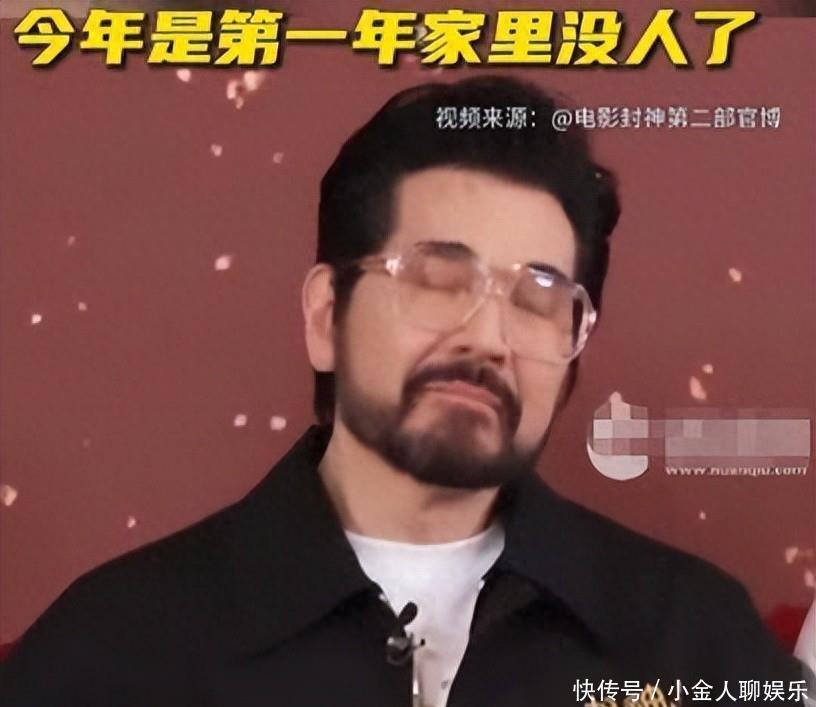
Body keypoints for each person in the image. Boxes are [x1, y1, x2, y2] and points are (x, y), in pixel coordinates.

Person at [0, 76, 808, 707]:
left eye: (537, 298)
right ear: (326, 316)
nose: (487, 338)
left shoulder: (691, 635)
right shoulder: (120, 646)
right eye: (437, 278)